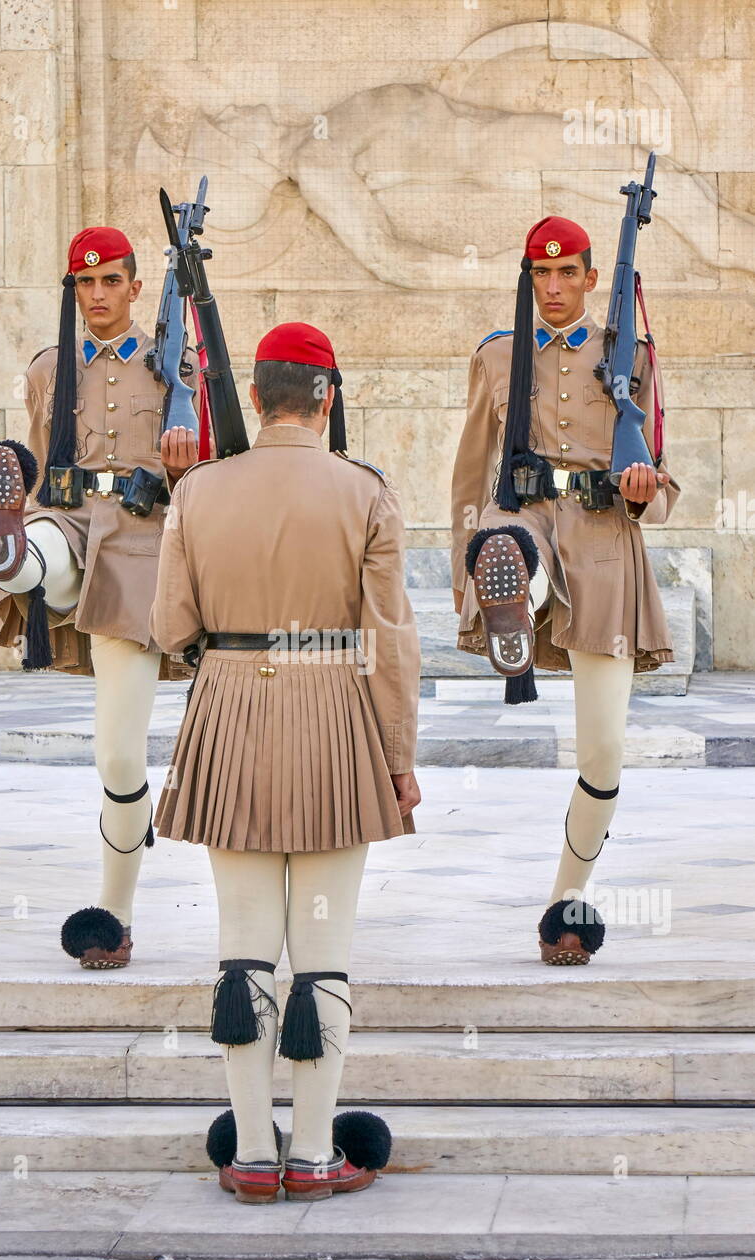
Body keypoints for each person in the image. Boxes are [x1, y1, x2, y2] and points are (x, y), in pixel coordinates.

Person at [151, 322, 421, 1202]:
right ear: (327, 399)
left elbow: (169, 629)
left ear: (257, 400)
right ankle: (314, 1156)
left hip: (228, 710)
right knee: (324, 952)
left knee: (243, 952)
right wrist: (397, 756)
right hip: (335, 709)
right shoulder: (366, 493)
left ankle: (253, 1158)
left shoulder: (197, 491)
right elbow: (390, 642)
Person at [450, 215, 681, 967]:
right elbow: (469, 472)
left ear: (589, 278)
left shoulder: (630, 356)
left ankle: (564, 900)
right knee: (512, 543)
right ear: (528, 278)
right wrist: (467, 566)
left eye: (567, 273)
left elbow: (667, 480)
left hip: (605, 538)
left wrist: (644, 490)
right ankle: (507, 585)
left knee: (604, 754)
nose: (553, 288)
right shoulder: (497, 356)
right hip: (522, 516)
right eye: (540, 274)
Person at [0, 226, 198, 969]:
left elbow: (209, 487)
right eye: (84, 284)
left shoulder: (176, 373)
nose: (96, 295)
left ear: (135, 289)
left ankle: (116, 912)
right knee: (42, 550)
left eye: (111, 282)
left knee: (118, 759)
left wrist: (180, 464)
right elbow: (39, 469)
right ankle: (8, 557)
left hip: (136, 552)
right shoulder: (46, 371)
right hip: (62, 524)